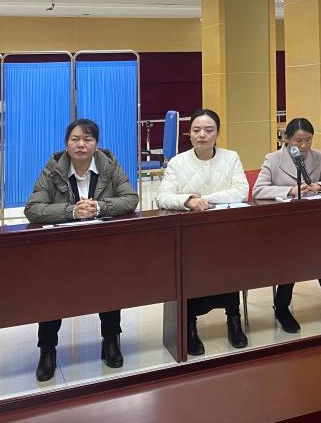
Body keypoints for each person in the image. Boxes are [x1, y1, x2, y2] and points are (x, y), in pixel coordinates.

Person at [24, 118, 138, 381]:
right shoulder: (54, 168)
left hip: (102, 246)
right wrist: (72, 211)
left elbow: (130, 198)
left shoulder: (109, 165)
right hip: (62, 249)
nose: (81, 145)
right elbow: (33, 209)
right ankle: (47, 349)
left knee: (109, 285)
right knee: (52, 292)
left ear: (96, 144)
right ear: (66, 144)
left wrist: (99, 207)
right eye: (75, 139)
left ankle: (111, 339)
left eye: (88, 139)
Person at [156, 108, 249, 354]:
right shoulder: (177, 162)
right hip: (190, 237)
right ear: (189, 133)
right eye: (196, 130)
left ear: (218, 133)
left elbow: (241, 190)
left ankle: (234, 320)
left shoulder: (231, 158)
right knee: (191, 276)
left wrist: (205, 199)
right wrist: (187, 200)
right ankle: (189, 325)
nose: (202, 135)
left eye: (209, 130)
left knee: (230, 270)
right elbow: (162, 197)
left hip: (224, 233)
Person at [253, 117, 321, 331]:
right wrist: (290, 190)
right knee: (292, 256)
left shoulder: (317, 157)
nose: (304, 146)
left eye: (308, 140)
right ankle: (282, 307)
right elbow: (258, 190)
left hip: (314, 223)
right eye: (298, 141)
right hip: (284, 226)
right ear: (287, 139)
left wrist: (319, 186)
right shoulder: (273, 159)